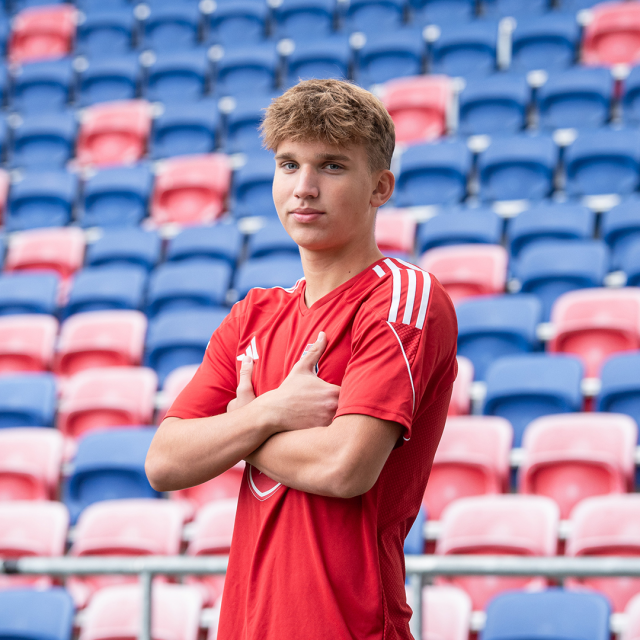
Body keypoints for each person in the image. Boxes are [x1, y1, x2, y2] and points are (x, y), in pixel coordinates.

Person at [145, 78, 458, 640]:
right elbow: (165, 462)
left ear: (380, 187)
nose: (304, 188)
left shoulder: (402, 298)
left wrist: (241, 429)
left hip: (348, 627)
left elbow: (344, 468)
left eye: (332, 166)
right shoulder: (253, 314)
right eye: (288, 165)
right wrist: (271, 412)